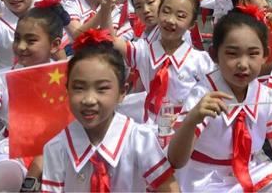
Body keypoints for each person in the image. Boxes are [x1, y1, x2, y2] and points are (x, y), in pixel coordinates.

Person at [168, 10, 272, 192]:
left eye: (253, 54)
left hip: (255, 171)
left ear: (265, 55)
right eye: (232, 54)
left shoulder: (266, 96)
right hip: (207, 180)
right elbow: (176, 160)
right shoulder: (204, 96)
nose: (243, 64)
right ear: (215, 55)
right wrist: (192, 120)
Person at [41, 30, 179, 192]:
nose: (89, 100)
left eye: (102, 89)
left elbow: (168, 187)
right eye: (78, 88)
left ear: (122, 92)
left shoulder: (140, 140)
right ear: (67, 90)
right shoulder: (57, 147)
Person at [0, 0, 66, 191]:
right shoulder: (2, 78)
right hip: (14, 151)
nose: (21, 46)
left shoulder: (69, 76)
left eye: (31, 41)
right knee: (7, 177)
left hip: (61, 151)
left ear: (54, 44)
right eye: (17, 38)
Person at [113, 0, 214, 122]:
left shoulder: (201, 61)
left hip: (184, 128)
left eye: (181, 16)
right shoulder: (144, 51)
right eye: (166, 12)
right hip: (151, 126)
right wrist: (105, 6)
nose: (171, 20)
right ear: (158, 13)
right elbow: (112, 40)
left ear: (191, 25)